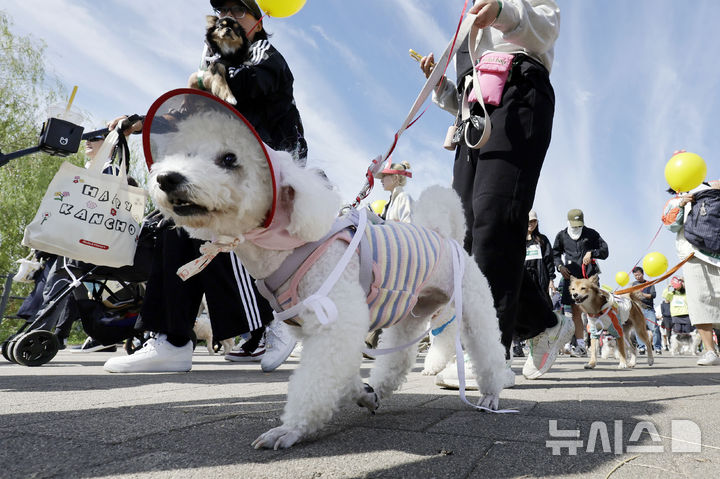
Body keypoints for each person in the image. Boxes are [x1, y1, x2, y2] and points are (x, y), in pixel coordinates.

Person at [104, 0, 306, 373]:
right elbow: (188, 112)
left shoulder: (267, 58)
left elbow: (245, 86)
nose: (230, 16)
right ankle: (171, 340)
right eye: (223, 9)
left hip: (267, 173)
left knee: (231, 237)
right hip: (222, 168)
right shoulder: (212, 65)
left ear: (258, 23)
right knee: (176, 224)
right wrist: (144, 122)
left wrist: (207, 76)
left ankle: (275, 321)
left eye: (240, 11)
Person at [420, 0, 571, 382]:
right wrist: (442, 87)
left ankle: (487, 354)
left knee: (495, 217)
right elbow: (474, 93)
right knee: (466, 234)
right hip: (475, 112)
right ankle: (542, 323)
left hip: (520, 88)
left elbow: (546, 26)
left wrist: (504, 11)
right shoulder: (467, 11)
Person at [663, 182, 720, 365]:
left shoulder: (710, 186)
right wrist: (681, 205)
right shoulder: (674, 201)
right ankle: (710, 350)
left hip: (716, 252)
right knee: (699, 302)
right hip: (692, 254)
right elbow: (670, 225)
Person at [552, 208, 609, 357]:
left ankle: (603, 344)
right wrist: (559, 266)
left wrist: (592, 253)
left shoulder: (591, 233)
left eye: (579, 224)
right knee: (575, 312)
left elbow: (605, 251)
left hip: (589, 278)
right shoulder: (562, 236)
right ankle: (581, 346)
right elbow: (555, 254)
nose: (577, 227)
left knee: (595, 311)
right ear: (568, 222)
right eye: (574, 224)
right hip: (571, 279)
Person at [630, 266, 660, 354]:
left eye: (638, 275)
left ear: (642, 274)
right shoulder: (633, 285)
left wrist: (642, 294)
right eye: (635, 276)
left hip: (648, 309)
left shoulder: (649, 283)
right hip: (637, 309)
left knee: (654, 328)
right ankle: (641, 347)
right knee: (638, 329)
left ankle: (657, 347)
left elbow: (653, 295)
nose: (637, 277)